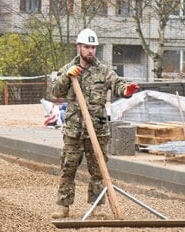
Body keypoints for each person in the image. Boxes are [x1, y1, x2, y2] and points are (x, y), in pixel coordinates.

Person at [47, 29, 139, 219]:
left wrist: (127, 90)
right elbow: (56, 91)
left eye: (93, 47)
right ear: (78, 47)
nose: (90, 51)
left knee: (98, 170)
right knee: (68, 168)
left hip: (97, 129)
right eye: (87, 47)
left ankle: (97, 207)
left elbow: (118, 85)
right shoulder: (68, 69)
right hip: (74, 130)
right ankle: (63, 206)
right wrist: (66, 77)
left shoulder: (104, 71)